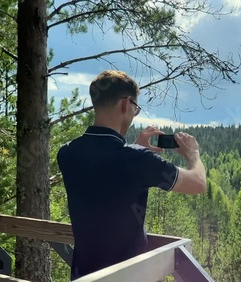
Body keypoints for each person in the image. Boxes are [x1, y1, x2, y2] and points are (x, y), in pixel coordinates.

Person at [56, 70, 206, 281]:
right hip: (128, 276)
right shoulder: (137, 159)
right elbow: (198, 183)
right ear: (126, 104)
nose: (134, 113)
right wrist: (193, 155)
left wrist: (134, 149)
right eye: (136, 108)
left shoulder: (67, 152)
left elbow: (103, 173)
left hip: (84, 275)